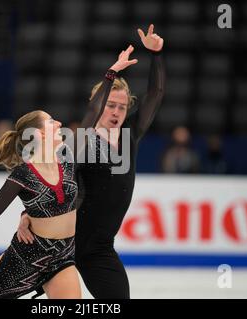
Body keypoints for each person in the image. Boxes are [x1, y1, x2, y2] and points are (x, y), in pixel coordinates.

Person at [0, 47, 138, 299]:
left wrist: (112, 73)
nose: (59, 123)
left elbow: (91, 115)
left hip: (62, 259)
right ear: (39, 134)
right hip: (27, 256)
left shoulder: (68, 161)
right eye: (51, 122)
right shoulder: (24, 173)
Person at [18, 24, 165, 298]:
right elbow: (52, 180)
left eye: (122, 106)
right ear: (98, 104)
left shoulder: (129, 136)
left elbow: (155, 95)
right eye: (111, 105)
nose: (117, 112)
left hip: (100, 249)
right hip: (65, 245)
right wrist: (26, 214)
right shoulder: (81, 141)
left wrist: (156, 55)